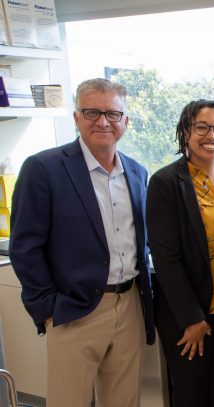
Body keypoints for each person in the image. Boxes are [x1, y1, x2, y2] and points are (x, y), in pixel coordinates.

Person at [9, 78, 154, 407]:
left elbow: (141, 240)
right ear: (76, 117)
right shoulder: (43, 168)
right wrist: (46, 308)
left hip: (129, 305)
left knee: (124, 401)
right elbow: (25, 247)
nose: (103, 121)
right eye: (91, 112)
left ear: (126, 121)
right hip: (73, 309)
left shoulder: (137, 172)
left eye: (113, 114)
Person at [146, 99, 214, 406]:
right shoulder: (166, 182)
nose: (211, 136)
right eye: (201, 127)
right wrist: (191, 318)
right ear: (185, 133)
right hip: (190, 312)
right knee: (192, 393)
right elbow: (166, 257)